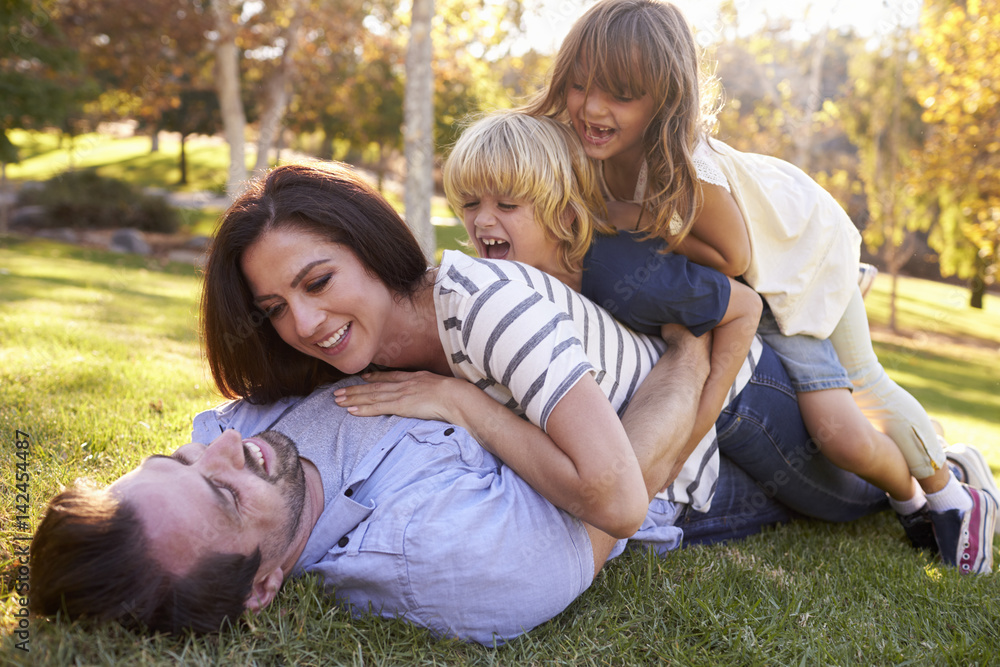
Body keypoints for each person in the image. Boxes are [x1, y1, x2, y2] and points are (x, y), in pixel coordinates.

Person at [522, 0, 997, 570]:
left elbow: (734, 255)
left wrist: (637, 220)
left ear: (664, 101)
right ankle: (916, 500)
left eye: (619, 95)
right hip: (756, 279)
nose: (591, 107)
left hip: (800, 263)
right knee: (837, 425)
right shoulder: (589, 146)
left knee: (842, 421)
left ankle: (951, 497)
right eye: (578, 85)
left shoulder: (685, 166)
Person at [203, 161, 880, 534]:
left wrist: (460, 401)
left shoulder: (481, 305)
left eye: (318, 281)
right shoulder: (373, 350)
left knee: (852, 498)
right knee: (812, 501)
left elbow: (614, 503)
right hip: (672, 458)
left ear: (371, 249)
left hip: (733, 396)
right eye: (275, 310)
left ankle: (944, 465)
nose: (307, 322)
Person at [32, 357, 896, 641]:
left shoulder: (250, 432)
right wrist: (696, 350)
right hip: (710, 451)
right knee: (860, 462)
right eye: (222, 492)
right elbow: (621, 495)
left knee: (837, 366)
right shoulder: (444, 562)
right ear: (261, 586)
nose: (224, 444)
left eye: (178, 457)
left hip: (598, 355)